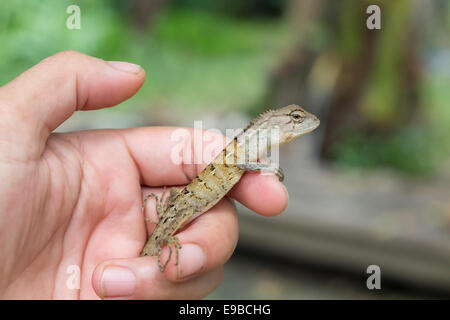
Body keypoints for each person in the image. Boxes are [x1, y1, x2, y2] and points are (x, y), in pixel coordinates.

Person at [0, 51, 289, 299]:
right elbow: (241, 165)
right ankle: (166, 237)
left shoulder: (244, 147)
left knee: (178, 253)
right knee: (172, 246)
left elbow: (239, 165)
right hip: (182, 209)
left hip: (183, 203)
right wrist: (267, 167)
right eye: (294, 120)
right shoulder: (242, 151)